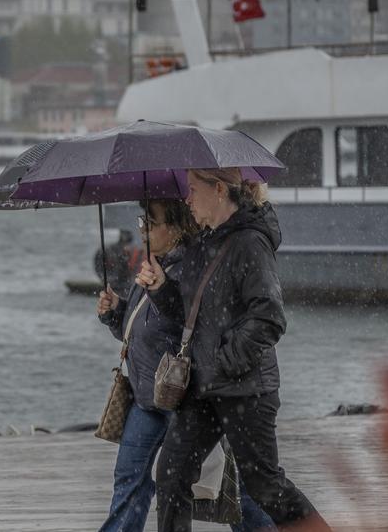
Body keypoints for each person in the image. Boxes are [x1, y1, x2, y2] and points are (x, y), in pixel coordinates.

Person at [137, 169, 328, 532]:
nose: (187, 199)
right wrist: (161, 288)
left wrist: (225, 361)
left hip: (245, 388)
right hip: (202, 388)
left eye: (193, 190)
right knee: (172, 475)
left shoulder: (250, 243)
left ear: (219, 190)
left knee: (265, 485)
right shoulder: (201, 244)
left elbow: (269, 317)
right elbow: (190, 315)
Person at [97, 199, 274, 532]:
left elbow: (196, 324)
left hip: (184, 395)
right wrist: (114, 312)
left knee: (229, 484)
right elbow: (136, 333)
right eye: (141, 222)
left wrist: (162, 287)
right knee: (129, 478)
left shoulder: (194, 267)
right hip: (146, 397)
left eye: (150, 223)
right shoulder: (153, 266)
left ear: (175, 228)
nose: (142, 230)